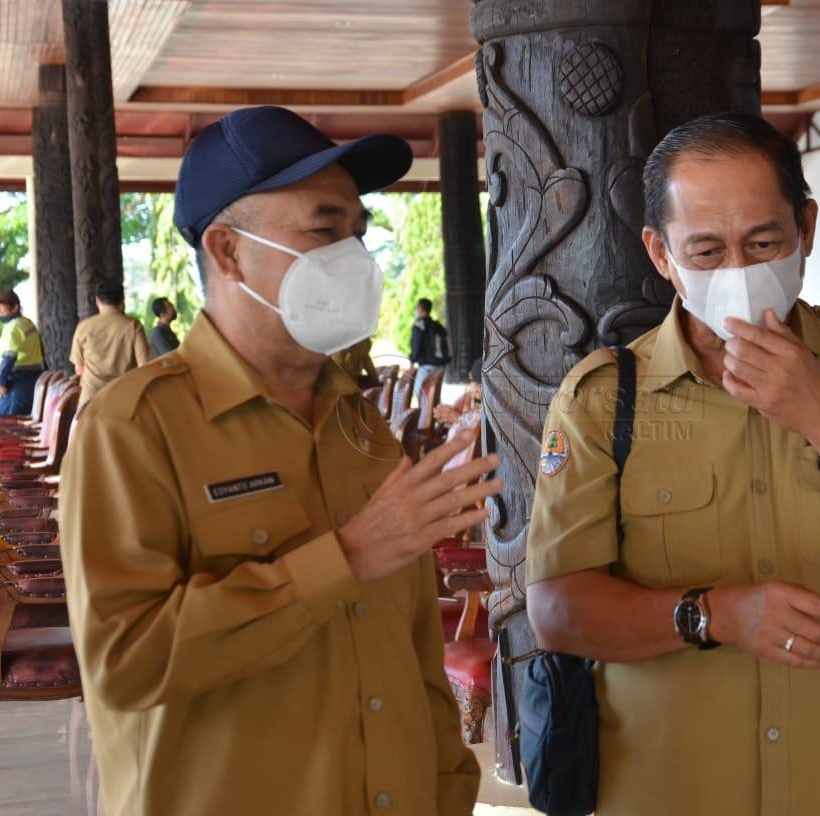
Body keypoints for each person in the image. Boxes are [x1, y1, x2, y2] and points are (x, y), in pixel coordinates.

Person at [525, 113, 820, 816]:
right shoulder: (602, 398)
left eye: (764, 242)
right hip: (667, 794)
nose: (738, 272)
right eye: (705, 251)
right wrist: (713, 616)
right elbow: (556, 611)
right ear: (660, 253)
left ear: (807, 229)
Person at [60, 105, 496, 816]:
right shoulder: (134, 428)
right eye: (324, 231)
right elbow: (127, 662)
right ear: (227, 251)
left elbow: (413, 649)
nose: (354, 259)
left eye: (357, 234)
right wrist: (345, 557)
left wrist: (449, 788)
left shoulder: (359, 423)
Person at [69, 280, 153, 406]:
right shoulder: (133, 326)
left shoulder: (83, 327)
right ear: (122, 300)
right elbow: (145, 366)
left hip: (89, 402)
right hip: (123, 401)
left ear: (97, 301)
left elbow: (79, 369)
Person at [0, 288, 44, 416]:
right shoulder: (28, 323)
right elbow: (41, 350)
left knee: (2, 424)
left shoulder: (12, 328)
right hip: (34, 379)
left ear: (15, 308)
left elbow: (9, 357)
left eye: (1, 307)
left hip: (16, 383)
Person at [409, 297, 450, 395]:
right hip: (439, 364)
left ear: (421, 308)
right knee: (434, 394)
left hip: (426, 365)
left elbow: (416, 345)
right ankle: (435, 410)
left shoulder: (419, 325)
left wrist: (412, 360)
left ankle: (426, 411)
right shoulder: (437, 325)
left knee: (420, 393)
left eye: (417, 307)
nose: (416, 309)